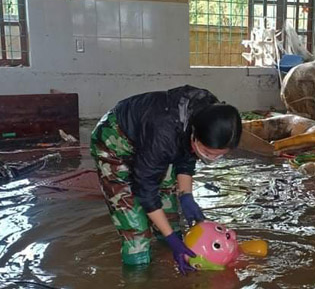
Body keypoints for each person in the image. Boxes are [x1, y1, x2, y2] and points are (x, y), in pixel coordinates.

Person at [90, 86, 242, 272]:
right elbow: (145, 188)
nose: (210, 159)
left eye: (218, 156)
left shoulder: (211, 114)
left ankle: (169, 255)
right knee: (136, 231)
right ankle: (137, 285)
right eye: (208, 153)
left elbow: (186, 154)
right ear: (195, 134)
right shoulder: (164, 133)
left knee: (170, 218)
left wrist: (186, 196)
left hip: (155, 143)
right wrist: (171, 238)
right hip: (115, 142)